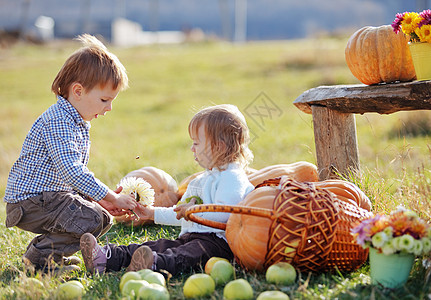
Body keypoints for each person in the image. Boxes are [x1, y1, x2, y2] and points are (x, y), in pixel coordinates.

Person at [3, 34, 137, 273]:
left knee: (102, 216)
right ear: (78, 91)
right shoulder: (59, 122)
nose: (109, 108)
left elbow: (68, 180)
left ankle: (51, 257)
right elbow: (72, 171)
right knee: (92, 219)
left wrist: (101, 200)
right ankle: (39, 261)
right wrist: (111, 196)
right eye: (105, 99)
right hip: (31, 202)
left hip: (47, 198)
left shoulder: (73, 120)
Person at [80, 104, 255, 276]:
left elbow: (228, 215)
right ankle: (107, 257)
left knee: (185, 255)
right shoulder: (200, 180)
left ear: (219, 147)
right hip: (192, 237)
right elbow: (179, 212)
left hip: (219, 244)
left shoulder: (233, 178)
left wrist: (193, 212)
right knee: (158, 246)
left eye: (196, 143)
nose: (192, 148)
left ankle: (155, 264)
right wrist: (151, 213)